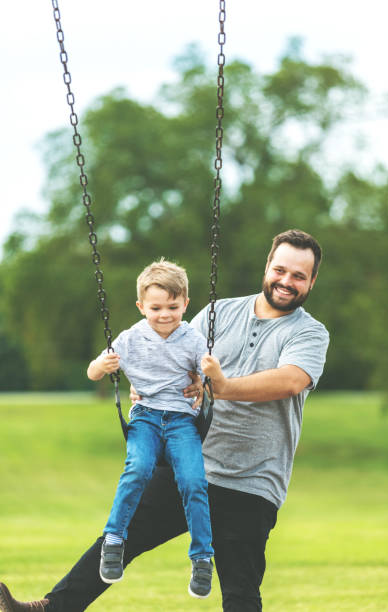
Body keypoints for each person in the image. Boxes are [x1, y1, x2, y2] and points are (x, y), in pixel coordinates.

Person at [0, 229, 330, 612]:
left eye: (298, 276)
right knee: (118, 539)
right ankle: (49, 609)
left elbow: (290, 381)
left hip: (252, 480)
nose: (286, 281)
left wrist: (220, 386)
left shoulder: (309, 332)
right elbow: (169, 358)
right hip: (190, 461)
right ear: (268, 266)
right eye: (281, 270)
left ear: (312, 281)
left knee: (240, 592)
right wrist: (148, 387)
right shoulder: (218, 313)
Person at [87, 259, 213, 597]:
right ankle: (114, 539)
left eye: (173, 306)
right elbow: (92, 373)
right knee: (137, 470)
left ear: (185, 303)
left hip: (182, 421)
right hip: (145, 417)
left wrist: (204, 378)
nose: (165, 314)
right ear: (142, 307)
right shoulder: (130, 339)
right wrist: (103, 364)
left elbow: (208, 376)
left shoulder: (193, 338)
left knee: (194, 482)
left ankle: (202, 557)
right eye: (156, 307)